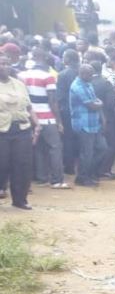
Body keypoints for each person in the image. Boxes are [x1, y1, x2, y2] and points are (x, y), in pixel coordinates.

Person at [19, 47, 67, 189]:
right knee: (55, 147)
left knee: (39, 147)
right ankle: (57, 180)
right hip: (46, 117)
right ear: (45, 59)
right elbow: (52, 101)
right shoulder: (48, 77)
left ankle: (41, 177)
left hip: (30, 117)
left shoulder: (22, 76)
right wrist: (59, 121)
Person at [0, 54, 38, 209]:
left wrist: (37, 124)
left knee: (22, 165)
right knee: (2, 164)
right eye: (1, 63)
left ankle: (20, 199)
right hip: (2, 131)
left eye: (7, 63)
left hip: (21, 129)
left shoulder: (19, 84)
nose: (4, 66)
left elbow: (28, 107)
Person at [68, 63, 106, 187]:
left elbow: (96, 102)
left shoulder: (88, 84)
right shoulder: (77, 86)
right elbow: (92, 104)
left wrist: (100, 109)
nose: (93, 77)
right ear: (83, 74)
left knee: (102, 148)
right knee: (86, 153)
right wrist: (100, 104)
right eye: (90, 74)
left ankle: (87, 174)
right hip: (83, 124)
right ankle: (83, 177)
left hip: (93, 123)